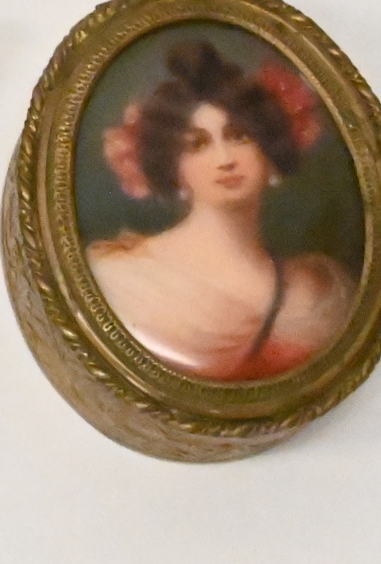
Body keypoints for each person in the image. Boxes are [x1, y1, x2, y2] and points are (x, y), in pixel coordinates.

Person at [88, 41, 356, 381]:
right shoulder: (126, 278)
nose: (225, 159)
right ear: (174, 168)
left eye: (239, 137)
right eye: (198, 144)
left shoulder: (315, 294)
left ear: (269, 151)